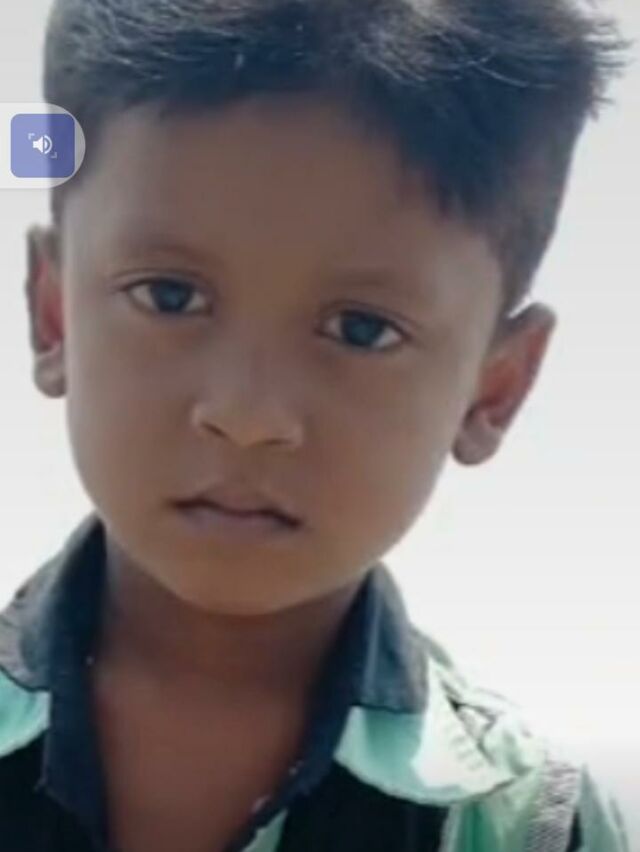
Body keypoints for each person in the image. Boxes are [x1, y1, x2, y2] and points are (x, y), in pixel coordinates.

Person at [0, 0, 630, 850]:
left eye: (361, 330)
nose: (247, 416)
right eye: (169, 295)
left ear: (495, 388)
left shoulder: (529, 829)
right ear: (55, 316)